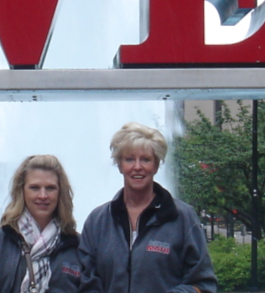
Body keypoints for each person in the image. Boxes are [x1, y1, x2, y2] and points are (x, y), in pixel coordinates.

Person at [78, 122, 217, 293]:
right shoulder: (98, 221)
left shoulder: (182, 217)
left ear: (156, 165)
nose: (137, 167)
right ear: (119, 165)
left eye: (145, 159)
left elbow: (203, 284)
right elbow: (86, 282)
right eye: (129, 159)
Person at [0, 154, 81, 293]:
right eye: (35, 188)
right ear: (21, 191)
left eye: (50, 188)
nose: (43, 195)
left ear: (61, 193)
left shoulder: (76, 246)